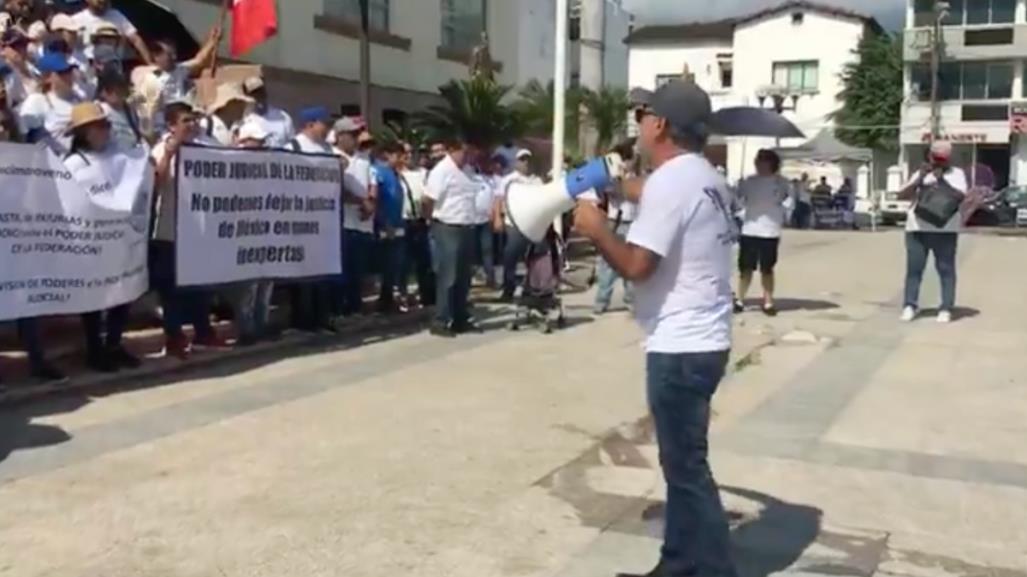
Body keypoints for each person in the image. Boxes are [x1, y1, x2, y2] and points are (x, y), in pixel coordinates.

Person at [572, 80, 737, 577]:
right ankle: (681, 563)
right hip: (705, 338)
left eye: (642, 114)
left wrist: (597, 229)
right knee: (684, 462)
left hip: (681, 346)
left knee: (685, 469)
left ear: (660, 124)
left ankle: (707, 567)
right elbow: (648, 192)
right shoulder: (705, 176)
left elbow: (639, 265)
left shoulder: (670, 182)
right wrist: (605, 182)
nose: (638, 124)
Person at [62, 101, 142, 372]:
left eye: (107, 125)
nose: (106, 131)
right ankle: (95, 350)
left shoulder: (119, 157)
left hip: (119, 238)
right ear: (85, 132)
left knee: (123, 294)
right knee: (94, 300)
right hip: (90, 242)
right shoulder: (72, 164)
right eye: (100, 126)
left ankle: (114, 344)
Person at [0, 78, 65, 383]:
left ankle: (38, 362)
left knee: (26, 302)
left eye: (3, 123)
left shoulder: (19, 150)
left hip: (17, 232)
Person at [150, 101, 227, 359]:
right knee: (171, 290)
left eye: (194, 119)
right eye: (185, 120)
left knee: (200, 286)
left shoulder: (205, 147)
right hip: (169, 231)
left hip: (198, 231)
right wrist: (170, 155)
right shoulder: (161, 148)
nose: (192, 124)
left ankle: (203, 333)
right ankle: (174, 338)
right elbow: (155, 184)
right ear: (172, 125)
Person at [897, 140, 968, 323]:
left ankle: (946, 307)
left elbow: (960, 196)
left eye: (943, 158)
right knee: (914, 269)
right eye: (936, 157)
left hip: (945, 229)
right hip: (916, 228)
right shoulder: (921, 173)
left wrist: (940, 179)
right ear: (929, 155)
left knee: (946, 269)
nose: (939, 161)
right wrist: (921, 177)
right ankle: (910, 305)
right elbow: (902, 195)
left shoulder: (957, 174)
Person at [286, 105, 339, 333]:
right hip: (300, 218)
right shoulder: (293, 147)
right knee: (302, 274)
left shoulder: (327, 149)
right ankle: (302, 319)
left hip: (324, 219)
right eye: (324, 124)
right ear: (310, 124)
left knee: (322, 272)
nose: (327, 129)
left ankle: (321, 317)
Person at [423, 138, 481, 337]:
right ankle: (441, 320)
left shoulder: (468, 171)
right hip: (447, 226)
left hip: (466, 226)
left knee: (464, 276)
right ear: (452, 150)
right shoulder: (441, 171)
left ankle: (460, 317)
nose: (466, 156)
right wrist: (430, 222)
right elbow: (428, 200)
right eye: (463, 152)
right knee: (448, 275)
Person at [232, 119, 278, 345]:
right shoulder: (232, 165)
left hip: (266, 229)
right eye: (256, 141)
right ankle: (246, 328)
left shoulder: (267, 165)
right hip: (243, 232)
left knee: (265, 281)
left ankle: (262, 324)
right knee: (247, 285)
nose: (261, 146)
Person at [734, 149, 790, 316]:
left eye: (763, 160)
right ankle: (740, 299)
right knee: (745, 268)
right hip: (750, 230)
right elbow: (736, 200)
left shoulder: (781, 183)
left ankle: (768, 301)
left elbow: (788, 201)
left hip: (770, 231)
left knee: (767, 269)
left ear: (771, 163)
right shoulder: (748, 182)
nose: (759, 163)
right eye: (757, 160)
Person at [332, 116, 376, 316]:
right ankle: (341, 309)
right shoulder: (333, 156)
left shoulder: (363, 158)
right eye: (352, 135)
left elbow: (371, 184)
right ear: (340, 136)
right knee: (344, 270)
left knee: (358, 270)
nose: (356, 139)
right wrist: (361, 202)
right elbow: (336, 189)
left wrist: (371, 204)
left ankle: (355, 308)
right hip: (343, 223)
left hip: (363, 223)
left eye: (357, 134)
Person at [137, 28, 220, 134]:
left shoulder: (179, 69)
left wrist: (212, 41)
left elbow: (199, 60)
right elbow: (146, 112)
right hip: (166, 122)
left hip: (186, 113)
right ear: (157, 56)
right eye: (169, 55)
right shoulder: (151, 79)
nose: (174, 57)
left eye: (174, 54)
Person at [593, 147, 637, 315]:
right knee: (609, 264)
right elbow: (608, 192)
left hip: (633, 223)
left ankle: (631, 299)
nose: (629, 163)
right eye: (627, 160)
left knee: (630, 263)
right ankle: (602, 301)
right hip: (616, 222)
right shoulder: (612, 179)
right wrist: (619, 179)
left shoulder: (637, 179)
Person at [496, 148, 542, 301]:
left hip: (533, 226)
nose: (526, 163)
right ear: (517, 162)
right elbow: (499, 200)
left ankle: (532, 287)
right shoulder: (508, 179)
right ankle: (508, 289)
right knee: (510, 257)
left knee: (534, 258)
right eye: (522, 160)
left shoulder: (537, 181)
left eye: (528, 159)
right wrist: (497, 218)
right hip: (514, 224)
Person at [18, 51, 82, 155]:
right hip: (51, 164)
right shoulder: (37, 101)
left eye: (69, 71)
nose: (68, 76)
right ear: (47, 78)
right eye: (62, 73)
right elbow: (24, 139)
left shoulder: (79, 99)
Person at [399, 143, 435, 307]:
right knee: (403, 263)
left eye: (411, 152)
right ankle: (403, 295)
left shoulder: (425, 174)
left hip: (421, 221)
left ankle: (427, 296)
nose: (408, 155)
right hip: (403, 221)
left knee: (424, 261)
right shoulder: (397, 175)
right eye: (404, 153)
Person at [374, 140, 408, 313]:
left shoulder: (394, 174)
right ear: (388, 155)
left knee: (396, 264)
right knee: (387, 264)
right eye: (398, 156)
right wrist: (385, 223)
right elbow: (378, 200)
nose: (401, 159)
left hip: (397, 224)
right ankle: (386, 300)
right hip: (386, 226)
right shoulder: (379, 172)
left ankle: (391, 297)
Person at [72, 0, 152, 64]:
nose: (103, 1)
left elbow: (135, 39)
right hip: (88, 66)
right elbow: (72, 45)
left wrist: (150, 63)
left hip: (113, 65)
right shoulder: (77, 20)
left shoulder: (116, 15)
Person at [472, 154, 502, 289]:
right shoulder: (472, 178)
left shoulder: (493, 181)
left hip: (486, 220)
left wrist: (495, 215)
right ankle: (470, 279)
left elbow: (496, 199)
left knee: (487, 250)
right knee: (470, 251)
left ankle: (490, 278)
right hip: (470, 220)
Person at [94, 67, 143, 149]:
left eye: (119, 87)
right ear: (101, 92)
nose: (114, 93)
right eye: (109, 90)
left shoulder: (130, 108)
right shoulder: (99, 110)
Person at [241, 74, 293, 149]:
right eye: (254, 93)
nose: (258, 96)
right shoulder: (242, 120)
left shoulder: (284, 118)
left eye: (261, 91)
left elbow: (291, 147)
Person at [1, 28, 38, 108]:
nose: (21, 50)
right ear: (4, 49)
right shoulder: (4, 76)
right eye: (15, 46)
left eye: (24, 45)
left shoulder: (34, 68)